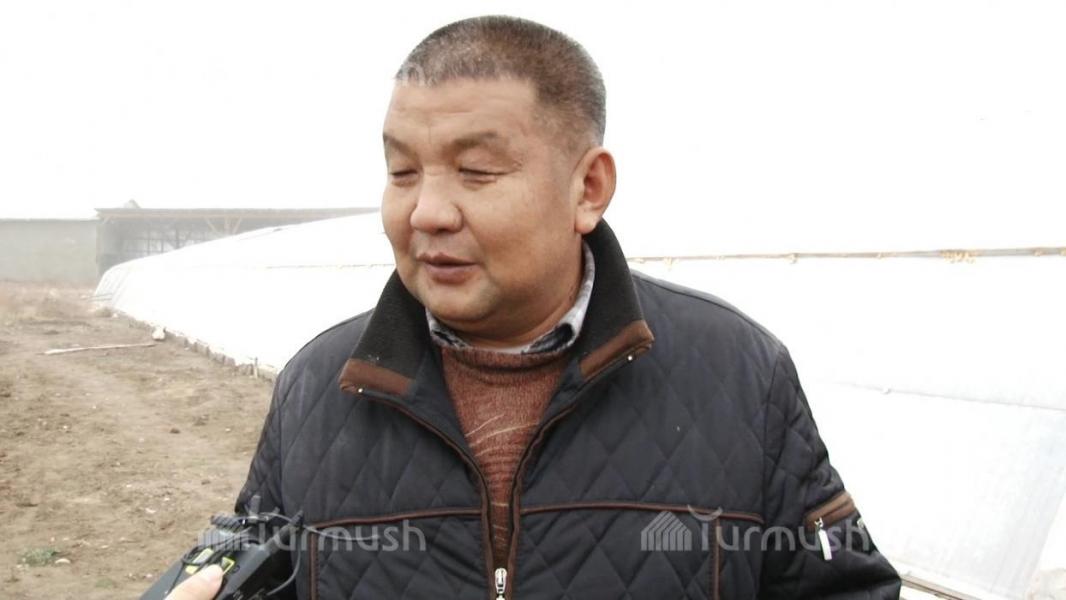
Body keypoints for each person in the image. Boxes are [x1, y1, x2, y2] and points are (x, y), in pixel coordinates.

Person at [167, 15, 900, 600]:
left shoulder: (740, 373)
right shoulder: (320, 386)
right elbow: (255, 571)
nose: (426, 212)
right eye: (402, 171)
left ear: (588, 189)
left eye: (477, 170)